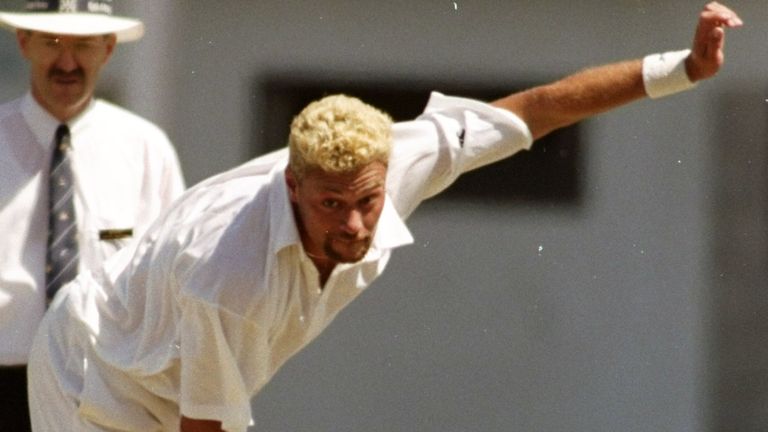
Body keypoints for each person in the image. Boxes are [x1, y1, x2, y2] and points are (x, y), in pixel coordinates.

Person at [27, 2, 740, 431]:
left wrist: (683, 66)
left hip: (169, 357)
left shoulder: (400, 156)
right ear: (293, 186)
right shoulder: (228, 276)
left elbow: (541, 107)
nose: (356, 226)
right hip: (92, 370)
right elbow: (204, 421)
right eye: (332, 206)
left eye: (367, 200)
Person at [0, 1, 185, 430]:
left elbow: (172, 282)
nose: (68, 61)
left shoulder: (145, 150)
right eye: (53, 42)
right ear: (25, 43)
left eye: (83, 45)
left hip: (101, 388)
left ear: (108, 49)